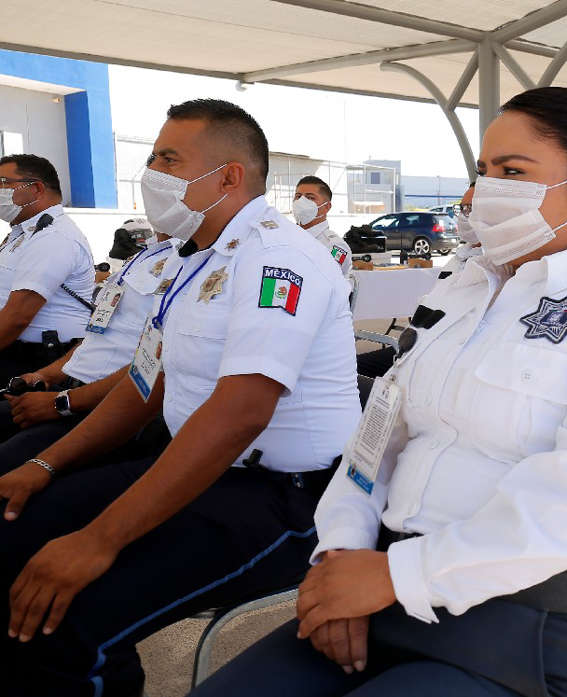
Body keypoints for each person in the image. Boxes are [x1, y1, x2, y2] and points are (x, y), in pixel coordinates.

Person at [186, 86, 567, 697]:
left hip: (518, 629)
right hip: (376, 588)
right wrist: (341, 559)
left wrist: (394, 577)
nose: (486, 190)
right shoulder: (454, 299)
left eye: (513, 172)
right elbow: (373, 446)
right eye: (485, 171)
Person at [0, 99, 360, 697]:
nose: (151, 173)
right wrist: (44, 464)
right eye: (153, 157)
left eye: (169, 158)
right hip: (191, 463)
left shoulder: (279, 259)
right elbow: (147, 383)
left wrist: (98, 539)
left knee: (62, 618)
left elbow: (241, 411)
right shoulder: (198, 262)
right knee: (12, 535)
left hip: (279, 499)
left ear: (228, 177)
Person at [0, 232, 179, 471]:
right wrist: (45, 376)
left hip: (104, 409)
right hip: (67, 392)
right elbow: (96, 336)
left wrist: (61, 403)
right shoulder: (150, 252)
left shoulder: (188, 260)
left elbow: (155, 365)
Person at [354, 183, 479, 381]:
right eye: (461, 208)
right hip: (415, 349)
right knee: (350, 370)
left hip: (439, 362)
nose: (463, 215)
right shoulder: (457, 259)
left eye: (470, 208)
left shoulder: (498, 267)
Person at [0, 155, 96, 383]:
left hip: (38, 361)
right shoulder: (24, 233)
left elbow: (17, 318)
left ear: (35, 188)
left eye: (3, 182)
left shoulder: (54, 237)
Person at [293, 175, 353, 281]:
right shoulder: (286, 236)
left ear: (326, 207)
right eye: (298, 197)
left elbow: (319, 282)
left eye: (310, 198)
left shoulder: (335, 246)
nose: (301, 202)